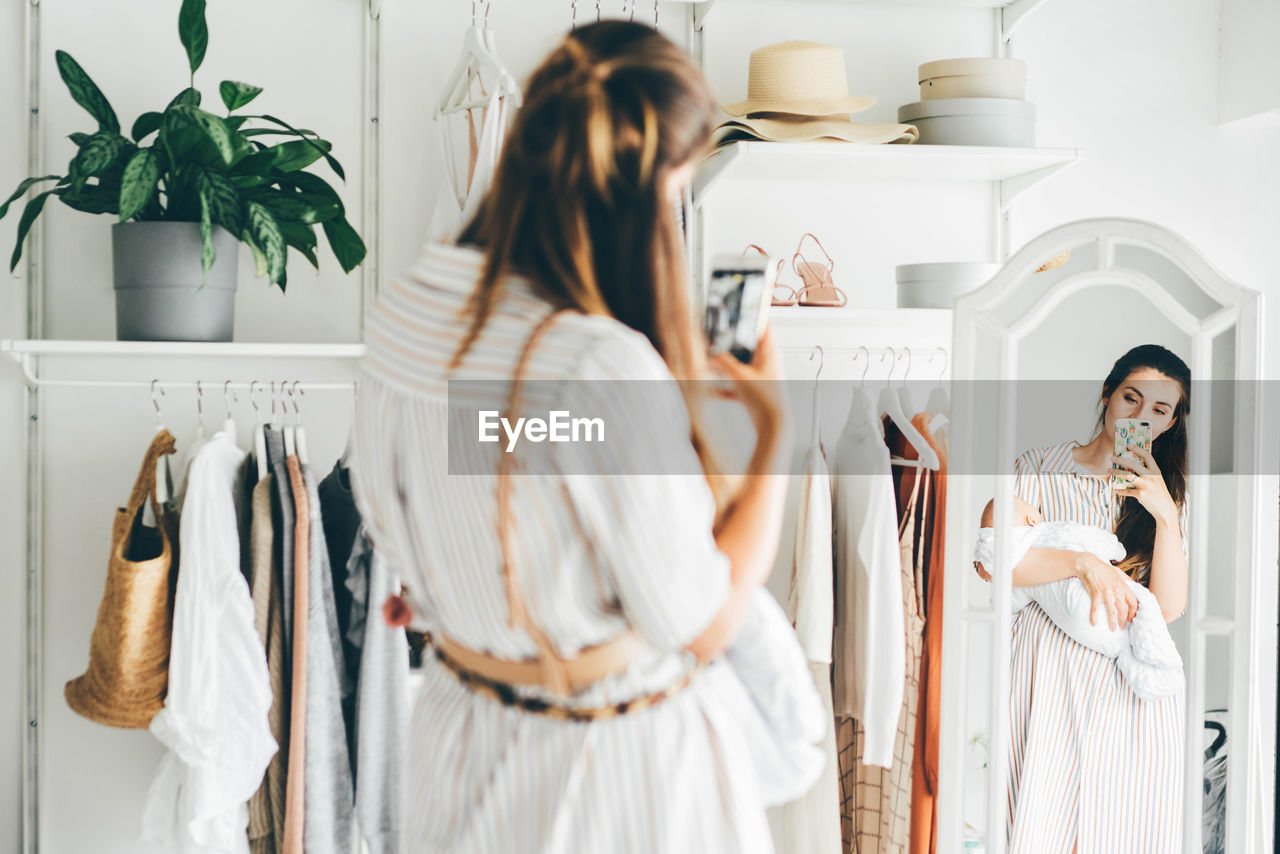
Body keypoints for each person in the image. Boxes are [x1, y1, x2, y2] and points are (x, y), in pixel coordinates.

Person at [349, 21, 815, 853]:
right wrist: (775, 436)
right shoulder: (595, 366)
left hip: (459, 741)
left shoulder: (406, 313)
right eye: (677, 189)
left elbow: (489, 451)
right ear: (644, 195)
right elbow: (700, 624)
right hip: (605, 774)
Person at [992, 344, 1191, 853]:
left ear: (1170, 424)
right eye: (1131, 398)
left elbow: (1166, 608)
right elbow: (992, 563)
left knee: (1117, 827)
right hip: (1046, 674)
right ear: (1107, 396)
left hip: (1126, 686)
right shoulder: (1036, 467)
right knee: (1039, 825)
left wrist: (1165, 514)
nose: (1141, 417)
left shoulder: (1162, 496)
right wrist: (1082, 563)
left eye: (1159, 410)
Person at [972, 494, 1182, 700]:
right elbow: (1096, 540)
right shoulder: (1054, 529)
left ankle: (1138, 662)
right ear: (1031, 519)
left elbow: (1003, 593)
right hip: (1095, 608)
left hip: (1073, 626)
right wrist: (1110, 553)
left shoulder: (1023, 565)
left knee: (1120, 645)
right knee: (1141, 605)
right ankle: (1159, 669)